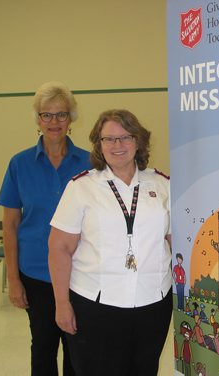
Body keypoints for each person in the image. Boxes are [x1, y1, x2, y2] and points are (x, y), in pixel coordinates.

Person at [48, 109, 172, 376]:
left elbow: (175, 241)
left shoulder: (162, 185)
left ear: (138, 141)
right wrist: (61, 303)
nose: (117, 146)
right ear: (98, 144)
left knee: (144, 370)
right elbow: (59, 248)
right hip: (96, 307)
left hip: (153, 304)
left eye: (125, 137)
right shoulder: (81, 188)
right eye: (108, 139)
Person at [0, 81, 90, 376]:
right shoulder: (19, 164)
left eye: (61, 114)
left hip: (81, 273)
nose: (54, 122)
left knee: (78, 351)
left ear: (71, 119)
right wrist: (13, 279)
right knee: (43, 349)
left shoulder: (90, 164)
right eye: (46, 115)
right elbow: (10, 226)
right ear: (37, 119)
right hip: (36, 274)